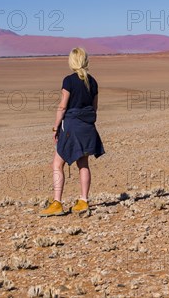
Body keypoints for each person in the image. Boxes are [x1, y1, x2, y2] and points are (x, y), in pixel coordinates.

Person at [40, 47, 105, 217]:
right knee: (83, 164)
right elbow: (95, 107)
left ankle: (57, 203)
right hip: (87, 126)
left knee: (57, 164)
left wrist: (55, 127)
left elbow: (62, 106)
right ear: (85, 60)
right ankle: (83, 201)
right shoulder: (93, 81)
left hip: (71, 126)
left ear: (72, 61)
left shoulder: (69, 81)